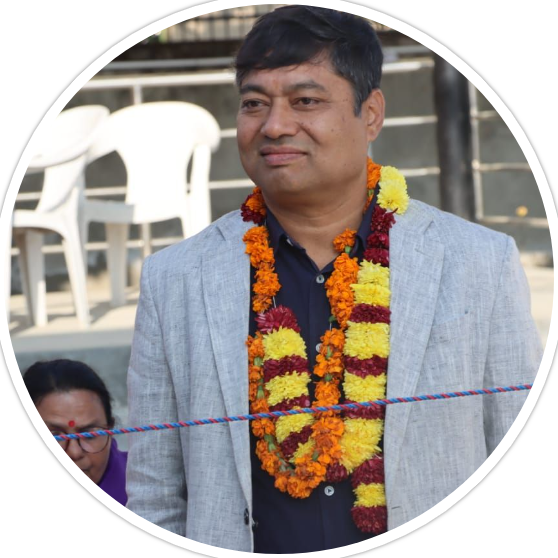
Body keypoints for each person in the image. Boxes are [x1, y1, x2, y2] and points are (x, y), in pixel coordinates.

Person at [126, 5, 542, 553]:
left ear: (371, 114)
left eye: (305, 101)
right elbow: (155, 492)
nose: (274, 125)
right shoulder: (176, 279)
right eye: (254, 103)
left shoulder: (477, 262)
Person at [24, 359, 127, 506]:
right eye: (54, 436)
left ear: (110, 430)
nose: (74, 452)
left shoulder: (148, 489)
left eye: (90, 435)